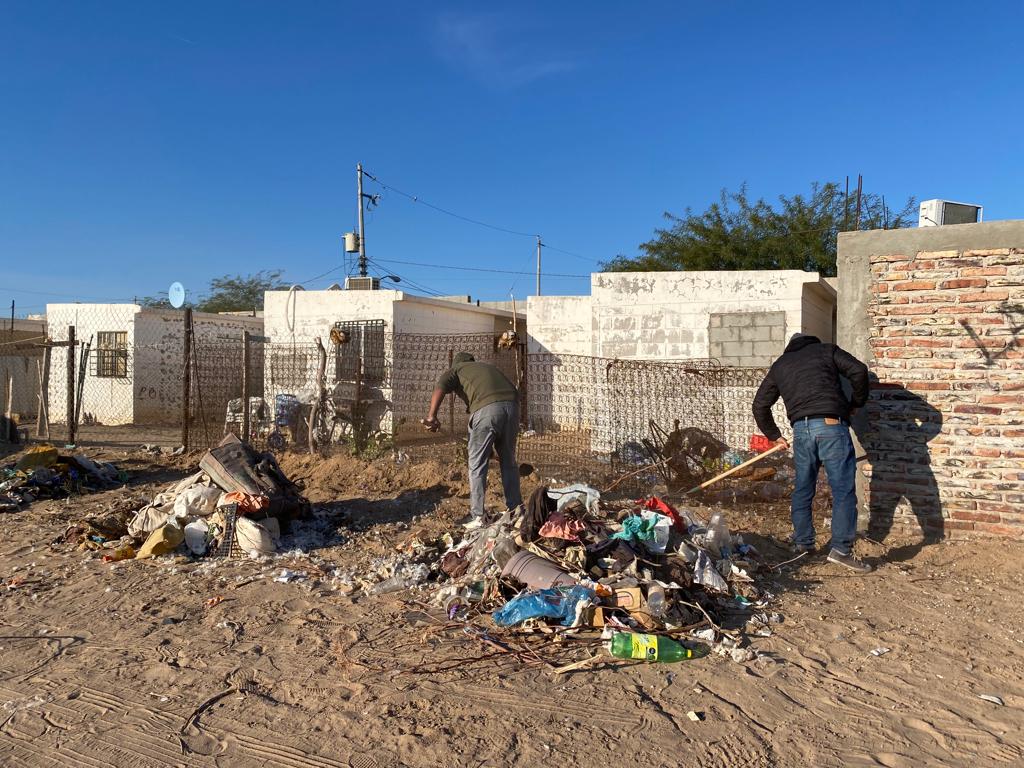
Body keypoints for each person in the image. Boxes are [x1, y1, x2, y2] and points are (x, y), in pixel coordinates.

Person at [752, 333, 872, 573]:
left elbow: (760, 404)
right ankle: (840, 550)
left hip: (801, 431)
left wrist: (774, 435)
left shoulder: (781, 365)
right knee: (842, 491)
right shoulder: (826, 351)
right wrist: (855, 404)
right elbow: (859, 370)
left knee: (804, 488)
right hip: (831, 426)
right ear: (812, 342)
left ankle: (803, 543)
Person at [422, 352, 522, 525]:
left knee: (476, 465)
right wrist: (489, 448)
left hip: (487, 410)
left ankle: (477, 516)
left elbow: (441, 386)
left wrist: (432, 416)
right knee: (508, 462)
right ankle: (517, 510)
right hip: (513, 407)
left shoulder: (457, 370)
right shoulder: (486, 367)